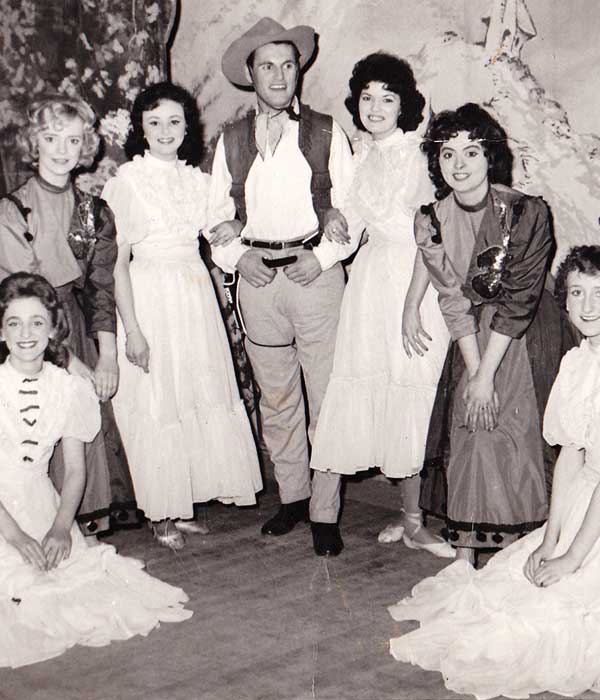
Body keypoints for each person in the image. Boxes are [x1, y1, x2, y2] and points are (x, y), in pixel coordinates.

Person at [389, 246, 600, 700]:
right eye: (577, 293)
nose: (589, 306)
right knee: (506, 592)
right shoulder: (578, 362)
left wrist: (572, 557)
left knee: (550, 623)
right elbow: (572, 459)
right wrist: (550, 539)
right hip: (589, 502)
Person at [207, 17, 357, 557]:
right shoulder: (230, 138)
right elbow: (214, 213)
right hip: (258, 277)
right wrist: (238, 256)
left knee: (326, 396)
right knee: (277, 399)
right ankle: (291, 496)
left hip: (314, 274)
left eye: (287, 65)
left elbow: (353, 209)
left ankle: (325, 509)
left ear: (299, 71)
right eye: (266, 65)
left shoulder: (324, 131)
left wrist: (321, 258)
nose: (278, 74)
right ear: (250, 74)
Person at [0, 272, 191, 669]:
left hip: (40, 503)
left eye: (37, 322)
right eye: (13, 323)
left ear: (54, 329)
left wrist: (58, 526)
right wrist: (16, 536)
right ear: (1, 332)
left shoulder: (69, 389)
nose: (25, 334)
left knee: (76, 591)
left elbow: (73, 472)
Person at [102, 82, 262, 550]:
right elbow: (117, 264)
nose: (165, 131)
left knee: (194, 391)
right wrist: (132, 329)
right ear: (141, 129)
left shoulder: (197, 181)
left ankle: (182, 502)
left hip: (193, 293)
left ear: (187, 126)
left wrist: (238, 223)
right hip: (150, 294)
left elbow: (221, 231)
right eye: (154, 122)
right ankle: (160, 513)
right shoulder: (127, 182)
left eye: (174, 121)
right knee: (160, 397)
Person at [415, 103, 577, 565]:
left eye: (471, 152)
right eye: (448, 154)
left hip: (528, 336)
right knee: (471, 428)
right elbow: (452, 298)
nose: (459, 165)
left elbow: (519, 302)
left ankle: (522, 552)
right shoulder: (430, 219)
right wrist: (474, 372)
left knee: (514, 430)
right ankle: (465, 556)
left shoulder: (526, 211)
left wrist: (487, 375)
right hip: (472, 335)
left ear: (491, 157)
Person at [309, 53, 453, 558]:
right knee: (378, 388)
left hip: (413, 283)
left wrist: (413, 307)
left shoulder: (418, 156)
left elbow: (428, 240)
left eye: (387, 98)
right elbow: (349, 224)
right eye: (366, 97)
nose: (375, 107)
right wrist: (331, 219)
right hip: (369, 283)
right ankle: (405, 515)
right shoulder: (363, 155)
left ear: (404, 105)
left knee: (411, 391)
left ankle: (416, 520)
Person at [0, 95, 137, 535]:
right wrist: (71, 361)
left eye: (73, 140)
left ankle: (80, 533)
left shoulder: (92, 211)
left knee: (86, 425)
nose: (62, 149)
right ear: (34, 143)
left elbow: (101, 287)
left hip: (75, 327)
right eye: (51, 138)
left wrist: (108, 356)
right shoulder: (13, 209)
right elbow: (26, 294)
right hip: (30, 334)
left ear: (86, 148)